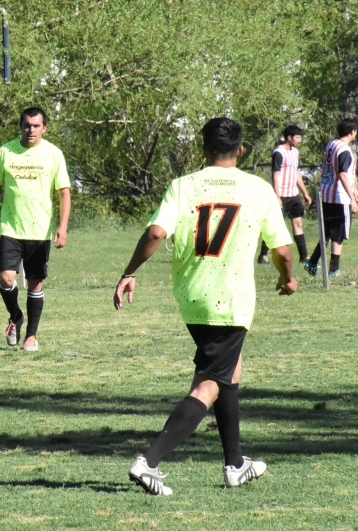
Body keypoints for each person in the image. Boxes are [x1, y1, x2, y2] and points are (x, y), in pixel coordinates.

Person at [114, 117, 296, 496]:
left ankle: (235, 464)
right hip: (230, 299)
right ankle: (149, 463)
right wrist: (287, 277)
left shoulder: (184, 186)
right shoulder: (258, 189)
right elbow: (281, 250)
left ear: (202, 148)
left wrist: (130, 271)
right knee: (210, 383)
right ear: (241, 150)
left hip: (193, 295)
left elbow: (156, 233)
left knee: (229, 371)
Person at [0, 106, 71, 351]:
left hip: (40, 230)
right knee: (6, 278)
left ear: (44, 128)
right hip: (10, 227)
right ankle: (16, 316)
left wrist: (62, 227)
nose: (30, 130)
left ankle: (31, 336)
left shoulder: (54, 154)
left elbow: (64, 193)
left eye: (36, 126)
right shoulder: (6, 151)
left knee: (35, 284)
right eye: (26, 125)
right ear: (20, 126)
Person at [303, 118, 358, 277]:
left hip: (326, 192)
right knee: (338, 234)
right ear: (352, 131)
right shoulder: (345, 150)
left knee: (327, 232)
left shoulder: (331, 145)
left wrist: (354, 190)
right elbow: (342, 174)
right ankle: (334, 269)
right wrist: (352, 198)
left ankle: (312, 262)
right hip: (339, 196)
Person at [257, 124, 311, 265]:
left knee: (298, 223)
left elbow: (297, 173)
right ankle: (263, 256)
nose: (299, 140)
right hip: (281, 195)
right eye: (298, 137)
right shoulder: (279, 152)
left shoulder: (295, 152)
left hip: (293, 194)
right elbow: (275, 175)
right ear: (289, 137)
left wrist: (304, 192)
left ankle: (304, 257)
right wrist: (277, 197)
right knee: (273, 225)